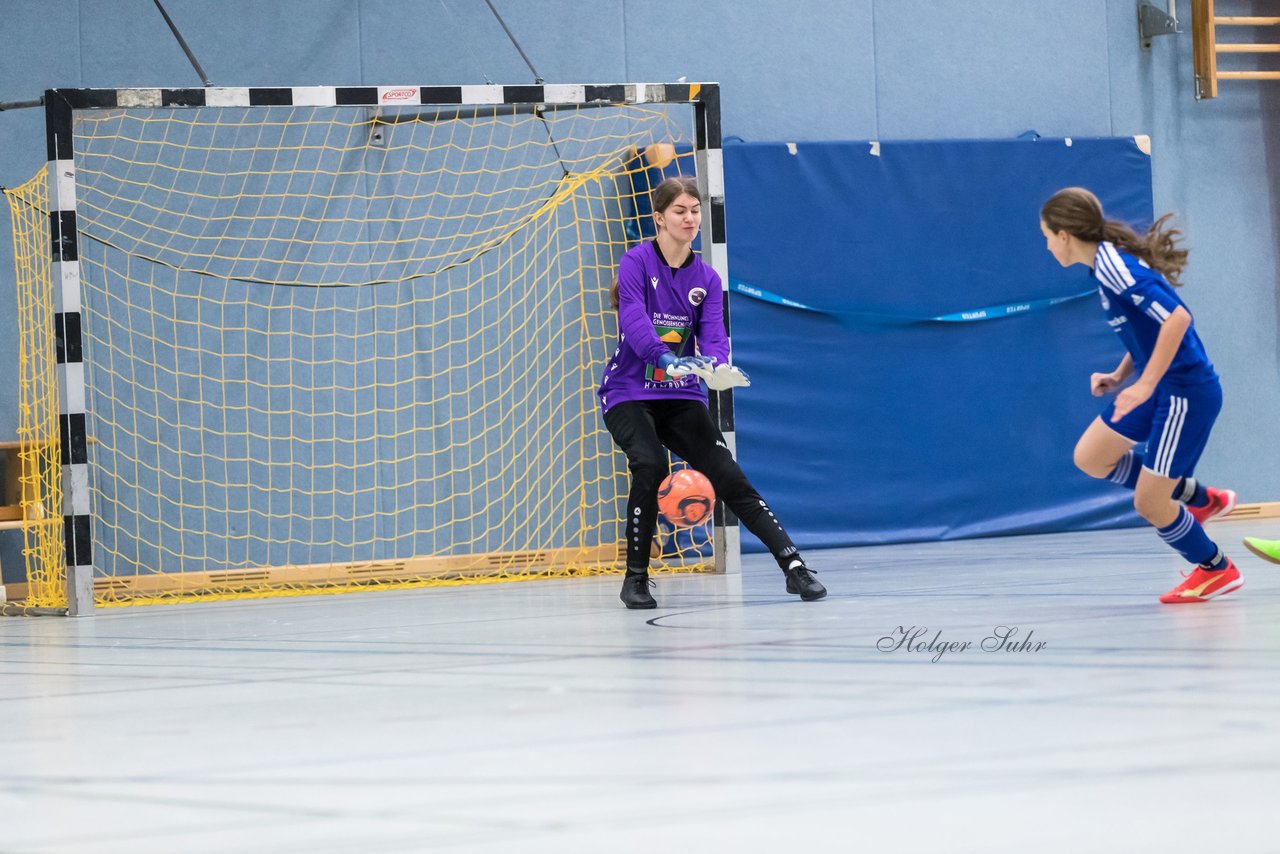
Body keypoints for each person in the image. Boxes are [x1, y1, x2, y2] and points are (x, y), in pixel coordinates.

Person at [598, 175, 826, 609]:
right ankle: (636, 578)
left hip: (680, 395)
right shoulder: (636, 263)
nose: (689, 218)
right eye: (680, 211)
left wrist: (717, 366)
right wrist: (665, 360)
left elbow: (713, 334)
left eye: (695, 210)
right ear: (659, 218)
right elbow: (634, 320)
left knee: (727, 473)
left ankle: (794, 566)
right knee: (649, 464)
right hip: (628, 391)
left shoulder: (706, 275)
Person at [1040, 187, 1240, 603]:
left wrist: (1145, 384)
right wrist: (1119, 375)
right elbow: (1146, 332)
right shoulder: (1100, 268)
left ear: (1064, 235)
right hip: (1160, 383)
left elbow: (1178, 319)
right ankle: (1201, 498)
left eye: (1046, 235)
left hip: (1184, 391)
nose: (1046, 245)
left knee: (1149, 504)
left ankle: (1216, 568)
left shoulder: (1115, 268)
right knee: (1092, 456)